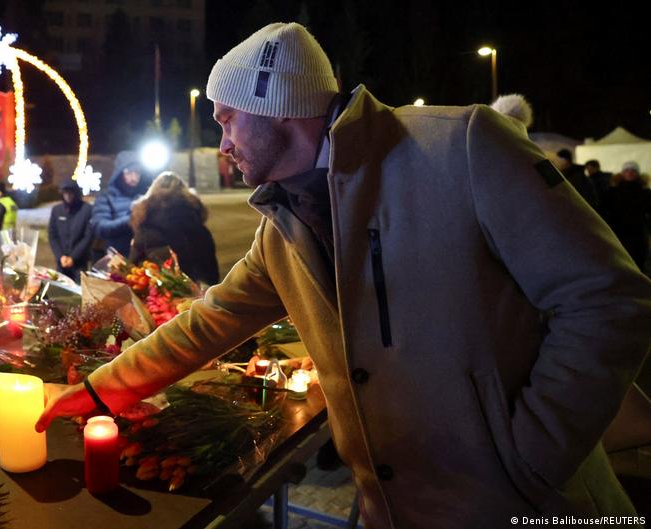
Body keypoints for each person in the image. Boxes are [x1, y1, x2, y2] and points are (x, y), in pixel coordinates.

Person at [37, 23, 651, 528]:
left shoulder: (460, 147)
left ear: (276, 108)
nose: (220, 139)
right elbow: (208, 321)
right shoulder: (281, 225)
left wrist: (532, 456)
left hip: (528, 508)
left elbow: (608, 300)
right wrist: (97, 391)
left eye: (227, 119)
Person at [129, 171, 220, 285]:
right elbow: (212, 274)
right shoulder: (200, 231)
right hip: (196, 296)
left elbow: (133, 270)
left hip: (157, 298)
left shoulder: (145, 232)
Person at [91, 157, 151, 257]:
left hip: (143, 257)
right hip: (117, 258)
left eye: (137, 172)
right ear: (119, 173)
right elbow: (100, 227)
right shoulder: (107, 197)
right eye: (129, 172)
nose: (134, 177)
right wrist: (130, 219)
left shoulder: (145, 196)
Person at [602, 161, 651, 273]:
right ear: (622, 173)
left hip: (637, 232)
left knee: (637, 260)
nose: (630, 173)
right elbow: (605, 209)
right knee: (620, 260)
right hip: (618, 231)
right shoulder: (613, 191)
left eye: (633, 171)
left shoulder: (644, 192)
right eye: (627, 170)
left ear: (637, 174)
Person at [47, 180, 94, 283]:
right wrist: (60, 256)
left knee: (79, 292)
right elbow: (52, 235)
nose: (68, 196)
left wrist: (73, 257)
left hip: (80, 262)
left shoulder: (87, 210)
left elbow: (88, 237)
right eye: (65, 193)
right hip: (62, 261)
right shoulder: (57, 210)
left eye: (70, 193)